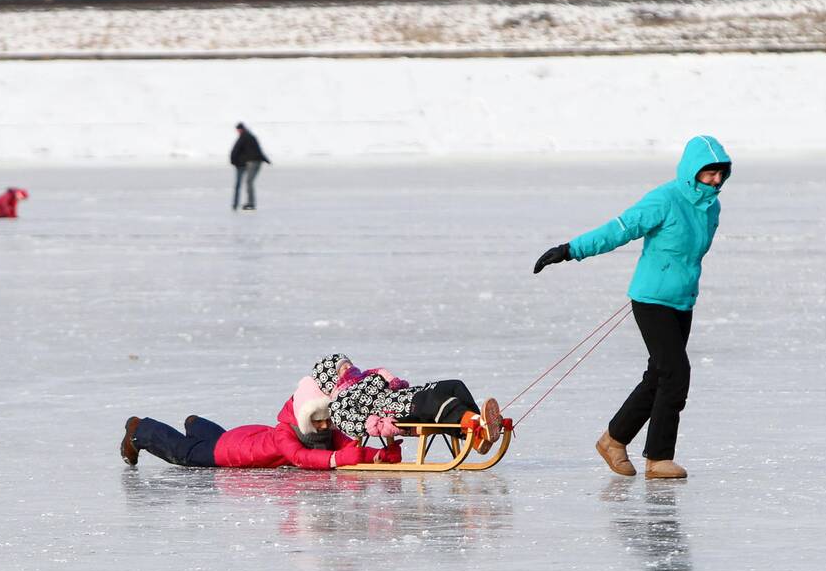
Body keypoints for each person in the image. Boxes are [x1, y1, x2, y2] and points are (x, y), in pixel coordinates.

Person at [533, 135, 732, 479]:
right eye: (708, 173)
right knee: (675, 373)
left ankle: (613, 439)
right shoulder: (665, 199)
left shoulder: (711, 207)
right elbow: (620, 229)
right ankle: (658, 458)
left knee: (658, 375)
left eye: (720, 173)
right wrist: (570, 250)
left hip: (683, 301)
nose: (715, 180)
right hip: (651, 299)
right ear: (691, 171)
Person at [119, 376, 402, 469]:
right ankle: (139, 429)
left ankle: (197, 425)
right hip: (228, 453)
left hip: (245, 438)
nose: (327, 427)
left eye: (328, 420)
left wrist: (378, 454)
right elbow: (300, 457)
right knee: (186, 454)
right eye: (319, 422)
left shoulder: (320, 428)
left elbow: (344, 444)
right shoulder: (286, 435)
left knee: (219, 439)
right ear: (304, 418)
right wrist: (338, 460)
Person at [310, 353, 504, 454]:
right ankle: (477, 425)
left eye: (348, 362)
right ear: (331, 379)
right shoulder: (339, 401)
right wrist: (377, 424)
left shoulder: (368, 376)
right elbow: (348, 422)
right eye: (342, 367)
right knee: (435, 401)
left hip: (407, 396)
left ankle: (477, 435)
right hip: (395, 411)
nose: (348, 366)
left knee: (454, 386)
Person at [229, 122, 270, 211]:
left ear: (241, 129)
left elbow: (235, 150)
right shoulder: (251, 136)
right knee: (249, 182)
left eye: (238, 130)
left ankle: (250, 203)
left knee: (248, 182)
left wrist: (233, 161)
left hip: (252, 162)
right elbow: (258, 149)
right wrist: (266, 159)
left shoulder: (244, 137)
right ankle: (249, 203)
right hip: (255, 162)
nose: (238, 132)